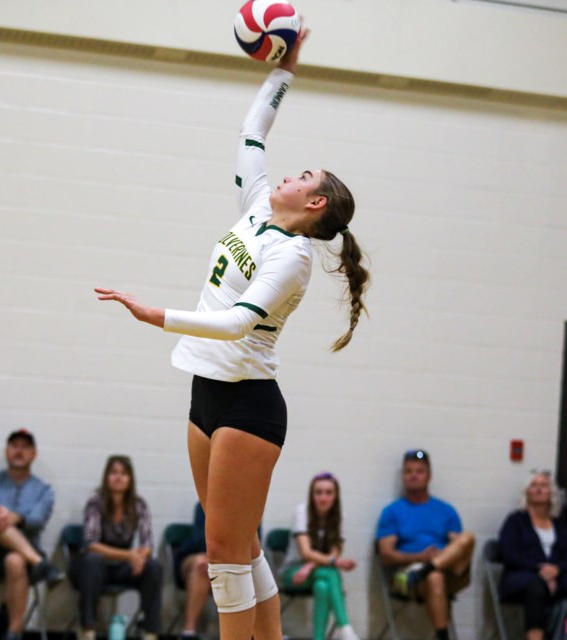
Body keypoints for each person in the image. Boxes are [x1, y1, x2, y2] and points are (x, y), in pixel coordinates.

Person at [96, 23, 369, 640]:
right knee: (238, 544)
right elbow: (252, 130)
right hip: (206, 390)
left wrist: (155, 314)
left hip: (249, 402)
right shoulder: (257, 205)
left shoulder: (293, 256)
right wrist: (284, 70)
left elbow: (240, 321)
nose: (290, 175)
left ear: (316, 202)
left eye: (304, 175)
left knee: (223, 553)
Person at [0, 429, 63, 640]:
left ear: (33, 454)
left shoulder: (44, 490)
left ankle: (14, 632)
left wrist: (14, 517)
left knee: (15, 559)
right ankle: (41, 564)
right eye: (14, 446)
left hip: (23, 558)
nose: (19, 451)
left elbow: (37, 521)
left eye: (25, 447)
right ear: (6, 451)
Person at [375, 450, 475, 640]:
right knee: (434, 577)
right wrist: (419, 558)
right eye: (409, 471)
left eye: (419, 471)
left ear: (429, 476)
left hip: (448, 569)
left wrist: (438, 558)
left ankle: (428, 568)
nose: (414, 475)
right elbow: (386, 554)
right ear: (403, 477)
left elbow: (459, 547)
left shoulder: (446, 510)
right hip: (408, 574)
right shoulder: (392, 512)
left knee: (467, 537)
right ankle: (443, 636)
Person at [69, 455, 162, 640]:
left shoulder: (138, 504)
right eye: (114, 473)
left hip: (121, 567)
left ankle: (150, 632)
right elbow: (91, 544)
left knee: (153, 567)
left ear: (130, 479)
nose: (118, 477)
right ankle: (87, 630)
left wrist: (139, 558)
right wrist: (129, 555)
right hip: (93, 565)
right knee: (92, 562)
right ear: (106, 477)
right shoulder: (95, 501)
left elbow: (147, 544)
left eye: (123, 473)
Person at [497, 470, 567, 640]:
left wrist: (556, 570)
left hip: (558, 578)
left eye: (543, 486)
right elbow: (508, 553)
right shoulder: (516, 520)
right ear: (527, 492)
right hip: (523, 577)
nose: (538, 489)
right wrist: (540, 569)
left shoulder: (560, 524)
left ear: (551, 493)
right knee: (536, 588)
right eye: (534, 485)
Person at [281, 472, 359, 640]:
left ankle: (319, 638)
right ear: (312, 495)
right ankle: (345, 628)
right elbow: (306, 553)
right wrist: (317, 563)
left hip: (315, 571)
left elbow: (334, 554)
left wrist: (311, 566)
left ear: (336, 496)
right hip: (294, 572)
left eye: (328, 493)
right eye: (318, 492)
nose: (323, 497)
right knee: (331, 572)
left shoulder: (340, 518)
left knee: (322, 586)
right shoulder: (302, 512)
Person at [173, 502, 211, 640]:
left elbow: (254, 547)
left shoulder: (250, 506)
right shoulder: (205, 504)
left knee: (254, 571)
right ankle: (188, 631)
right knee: (202, 565)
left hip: (232, 562)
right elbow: (201, 540)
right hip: (200, 554)